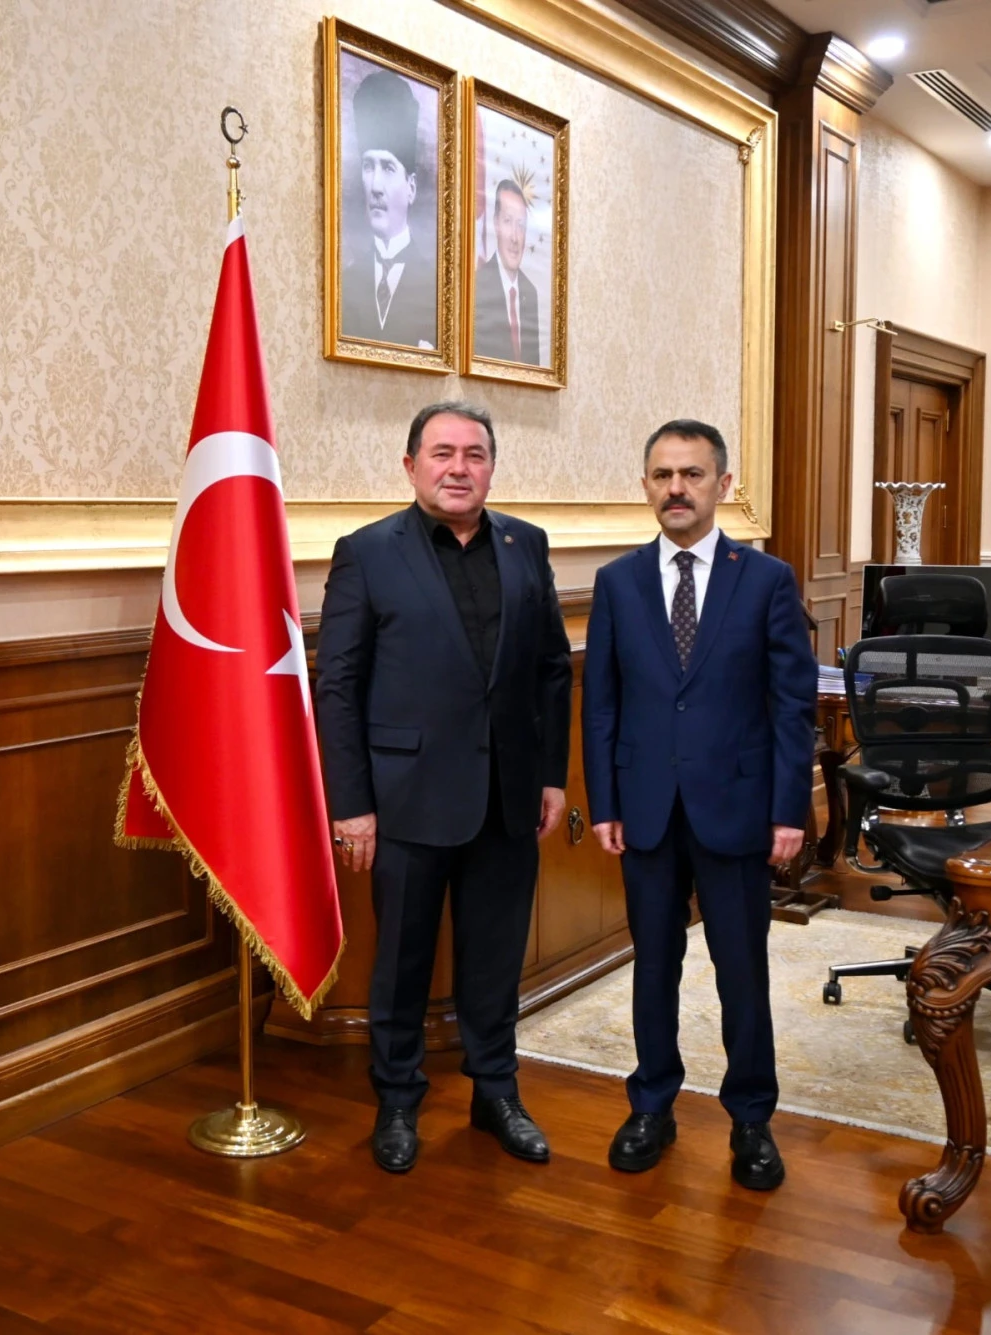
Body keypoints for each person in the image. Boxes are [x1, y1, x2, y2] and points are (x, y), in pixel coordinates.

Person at [316, 401, 572, 1173]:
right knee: (402, 960)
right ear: (411, 465)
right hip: (404, 797)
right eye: (442, 453)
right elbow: (338, 685)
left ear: (491, 466)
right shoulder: (367, 552)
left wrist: (551, 775)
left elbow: (552, 670)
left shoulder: (526, 544)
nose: (459, 468)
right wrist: (351, 804)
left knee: (495, 957)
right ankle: (398, 1099)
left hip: (508, 795)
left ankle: (497, 1092)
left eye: (475, 454)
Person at [581, 419, 816, 1190]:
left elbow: (791, 707)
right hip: (645, 810)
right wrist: (605, 802)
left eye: (691, 473)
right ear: (646, 485)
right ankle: (652, 1103)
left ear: (723, 484)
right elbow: (602, 704)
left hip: (738, 809)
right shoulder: (618, 582)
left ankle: (751, 1117)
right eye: (662, 474)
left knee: (741, 970)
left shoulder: (767, 579)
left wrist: (789, 809)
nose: (676, 488)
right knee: (654, 965)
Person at [340, 68, 437, 349]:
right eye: (368, 166)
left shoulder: (434, 289)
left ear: (411, 188)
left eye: (388, 168)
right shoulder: (346, 283)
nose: (375, 186)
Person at [473, 179, 540, 365]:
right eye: (508, 221)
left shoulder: (530, 293)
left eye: (521, 225)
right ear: (496, 224)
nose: (514, 237)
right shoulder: (476, 287)